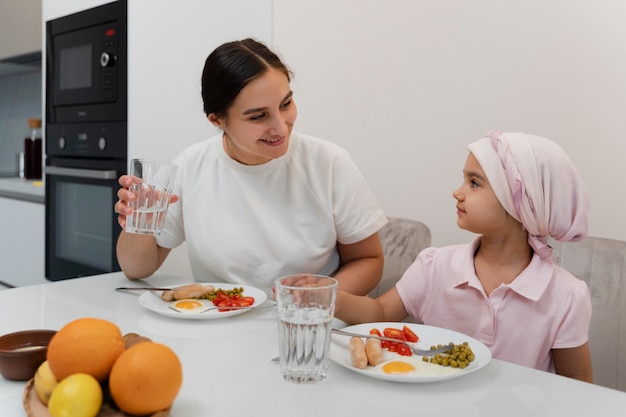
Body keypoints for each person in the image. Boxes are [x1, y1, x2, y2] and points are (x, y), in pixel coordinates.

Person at [114, 38, 387, 295]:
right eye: (258, 116)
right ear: (217, 120)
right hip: (218, 325)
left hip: (303, 325)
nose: (280, 127)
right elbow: (136, 270)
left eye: (286, 104)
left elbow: (368, 259)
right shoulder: (190, 166)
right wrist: (138, 223)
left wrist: (318, 296)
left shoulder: (328, 163)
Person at [335, 131, 593, 382]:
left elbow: (576, 380)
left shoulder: (566, 295)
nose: (458, 192)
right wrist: (324, 296)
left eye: (474, 183)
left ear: (521, 205)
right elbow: (380, 312)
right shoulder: (434, 266)